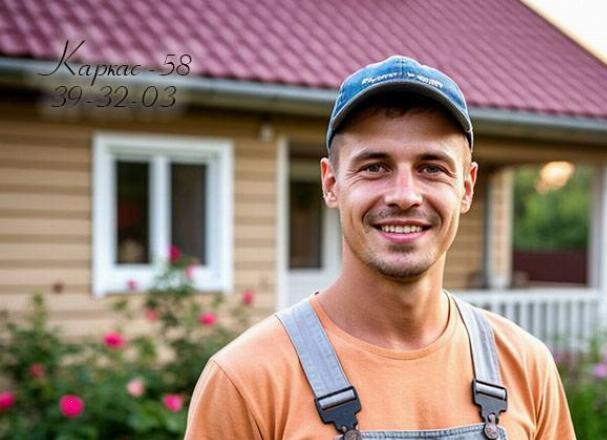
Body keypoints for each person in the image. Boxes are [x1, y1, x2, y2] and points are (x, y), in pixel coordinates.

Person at [185, 55, 576, 440]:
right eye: (375, 167)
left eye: (432, 168)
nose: (404, 195)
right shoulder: (245, 379)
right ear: (331, 183)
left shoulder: (526, 366)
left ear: (466, 187)